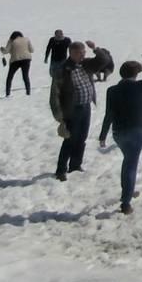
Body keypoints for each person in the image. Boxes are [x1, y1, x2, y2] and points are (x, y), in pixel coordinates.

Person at [99, 61, 142, 214]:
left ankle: (128, 189)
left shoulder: (112, 90)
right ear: (136, 73)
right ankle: (126, 202)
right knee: (131, 164)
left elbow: (109, 114)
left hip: (118, 132)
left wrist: (103, 135)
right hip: (136, 130)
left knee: (127, 161)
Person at [49, 41, 96, 181]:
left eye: (84, 52)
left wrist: (95, 49)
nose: (82, 55)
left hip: (85, 106)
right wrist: (59, 116)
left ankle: (75, 165)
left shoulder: (85, 65)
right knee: (70, 139)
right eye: (79, 53)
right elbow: (55, 94)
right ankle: (61, 170)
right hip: (72, 110)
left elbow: (104, 61)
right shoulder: (63, 69)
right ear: (72, 53)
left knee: (82, 138)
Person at [0, 30, 34, 97]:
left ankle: (8, 93)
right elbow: (32, 50)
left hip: (15, 60)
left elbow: (6, 51)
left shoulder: (11, 41)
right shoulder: (26, 39)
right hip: (26, 59)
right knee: (25, 76)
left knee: (10, 77)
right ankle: (28, 92)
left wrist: (2, 49)